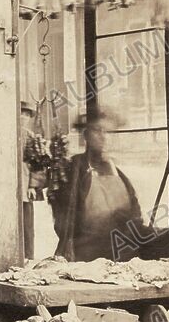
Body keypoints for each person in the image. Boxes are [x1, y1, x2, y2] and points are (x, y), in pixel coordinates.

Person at [53, 110, 148, 262]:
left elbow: (136, 219)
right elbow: (63, 221)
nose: (104, 137)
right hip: (86, 258)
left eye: (109, 132)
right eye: (97, 131)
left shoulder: (120, 175)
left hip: (123, 258)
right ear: (86, 136)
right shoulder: (74, 169)